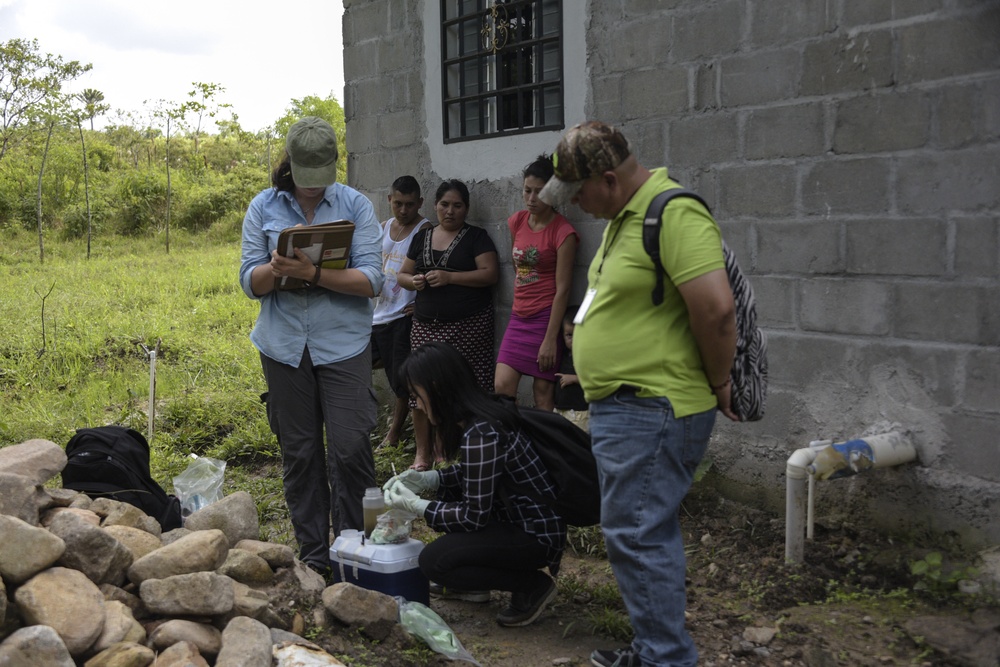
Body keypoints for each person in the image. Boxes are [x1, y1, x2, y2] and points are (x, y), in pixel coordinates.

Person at [538, 121, 737, 667]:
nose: (575, 203)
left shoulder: (673, 213)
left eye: (579, 192)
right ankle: (655, 649)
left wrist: (721, 381)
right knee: (633, 533)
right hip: (626, 405)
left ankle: (666, 658)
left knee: (639, 535)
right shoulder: (622, 221)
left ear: (607, 177)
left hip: (655, 404)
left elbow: (717, 310)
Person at [239, 116, 384, 576]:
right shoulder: (263, 206)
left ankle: (364, 549)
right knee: (299, 454)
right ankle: (315, 558)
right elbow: (249, 281)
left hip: (344, 344)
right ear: (292, 164)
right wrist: (279, 270)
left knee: (352, 447)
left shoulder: (355, 206)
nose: (314, 188)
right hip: (283, 347)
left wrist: (315, 275)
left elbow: (372, 281)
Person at [381, 341, 566, 627]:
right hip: (519, 522)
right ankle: (476, 584)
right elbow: (476, 474)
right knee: (445, 524)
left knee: (435, 561)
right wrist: (431, 478)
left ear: (437, 387)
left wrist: (418, 506)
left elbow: (473, 515)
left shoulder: (481, 432)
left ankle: (532, 586)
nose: (416, 402)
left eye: (417, 394)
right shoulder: (480, 417)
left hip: (535, 534)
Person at [395, 179, 499, 470]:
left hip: (468, 327)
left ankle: (448, 450)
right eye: (444, 205)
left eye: (457, 205)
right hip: (426, 325)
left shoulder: (476, 237)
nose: (450, 211)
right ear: (435, 205)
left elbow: (490, 274)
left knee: (460, 388)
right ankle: (422, 453)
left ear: (466, 208)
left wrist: (451, 277)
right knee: (421, 389)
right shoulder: (423, 237)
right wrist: (413, 280)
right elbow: (402, 274)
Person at [495, 154, 578, 411]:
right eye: (527, 191)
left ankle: (543, 448)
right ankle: (514, 444)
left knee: (543, 396)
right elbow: (518, 267)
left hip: (546, 318)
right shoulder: (516, 222)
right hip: (519, 316)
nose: (531, 199)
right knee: (502, 387)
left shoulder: (564, 233)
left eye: (539, 193)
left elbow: (563, 288)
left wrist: (550, 339)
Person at [371, 176, 432, 453]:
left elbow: (432, 270)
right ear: (389, 201)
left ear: (419, 203)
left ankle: (394, 433)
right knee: (362, 364)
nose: (403, 210)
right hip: (377, 313)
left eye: (409, 204)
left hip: (402, 315)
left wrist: (422, 305)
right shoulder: (382, 227)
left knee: (400, 378)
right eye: (398, 203)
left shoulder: (424, 229)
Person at [553, 305, 589, 432]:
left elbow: (596, 379)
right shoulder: (563, 354)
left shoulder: (587, 356)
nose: (573, 340)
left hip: (580, 412)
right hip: (561, 410)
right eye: (569, 335)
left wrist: (574, 379)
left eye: (578, 335)